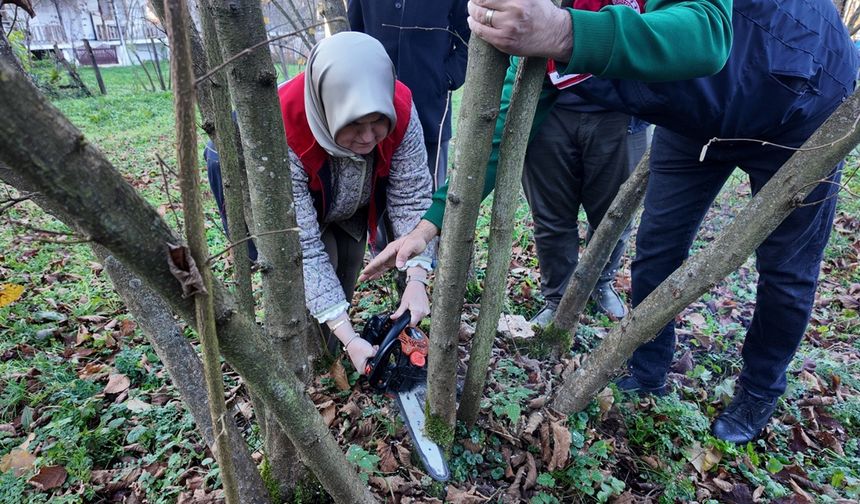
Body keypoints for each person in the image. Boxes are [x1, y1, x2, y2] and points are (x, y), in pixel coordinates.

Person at [361, 0, 859, 443]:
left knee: (787, 270)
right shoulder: (539, 11)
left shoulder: (559, 19)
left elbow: (706, 31)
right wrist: (428, 226)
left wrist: (564, 30)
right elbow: (504, 122)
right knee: (658, 246)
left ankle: (760, 387)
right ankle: (648, 365)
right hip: (694, 116)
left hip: (799, 96)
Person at [206, 32, 437, 373]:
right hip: (275, 186)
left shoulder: (400, 106)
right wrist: (350, 335)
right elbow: (302, 247)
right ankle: (318, 357)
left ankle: (335, 353)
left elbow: (411, 195)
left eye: (377, 122)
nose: (369, 136)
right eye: (355, 125)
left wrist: (418, 278)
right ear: (328, 113)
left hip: (346, 186)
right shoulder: (280, 127)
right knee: (313, 264)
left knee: (350, 259)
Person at [525, 94, 650, 325]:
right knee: (551, 217)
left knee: (615, 216)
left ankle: (600, 282)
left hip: (620, 109)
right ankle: (557, 299)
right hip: (547, 105)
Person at [348, 0, 470, 191]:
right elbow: (352, 34)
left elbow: (469, 38)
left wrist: (446, 77)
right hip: (372, 113)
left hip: (431, 111)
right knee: (375, 197)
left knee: (429, 196)